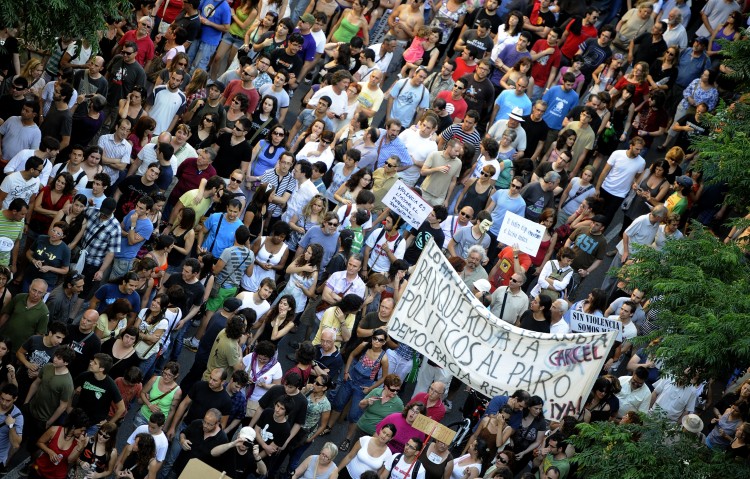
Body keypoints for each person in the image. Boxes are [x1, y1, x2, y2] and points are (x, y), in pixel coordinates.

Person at [28, 408, 89, 479]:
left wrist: (80, 448)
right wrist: (49, 451)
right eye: (81, 430)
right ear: (74, 426)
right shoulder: (54, 430)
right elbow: (39, 442)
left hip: (57, 476)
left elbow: (70, 460)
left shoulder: (78, 441)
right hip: (40, 470)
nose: (83, 433)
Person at [0, 278, 49, 354]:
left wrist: (27, 352)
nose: (35, 294)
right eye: (34, 290)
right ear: (29, 287)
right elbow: (6, 315)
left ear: (44, 293)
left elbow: (39, 335)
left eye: (40, 292)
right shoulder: (19, 297)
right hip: (3, 342)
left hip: (19, 349)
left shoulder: (44, 312)